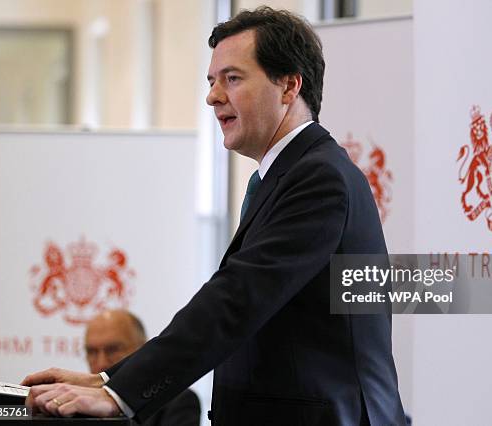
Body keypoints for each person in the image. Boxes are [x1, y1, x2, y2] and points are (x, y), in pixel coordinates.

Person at [23, 7, 406, 425]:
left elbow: (237, 299)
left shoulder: (319, 178)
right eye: (211, 81)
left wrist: (121, 393)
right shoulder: (284, 175)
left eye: (232, 78)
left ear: (289, 85)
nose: (212, 96)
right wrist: (109, 381)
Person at [84, 309, 200, 426]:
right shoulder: (79, 403)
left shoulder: (177, 402)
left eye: (113, 350)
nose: (101, 363)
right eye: (92, 352)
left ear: (143, 350)